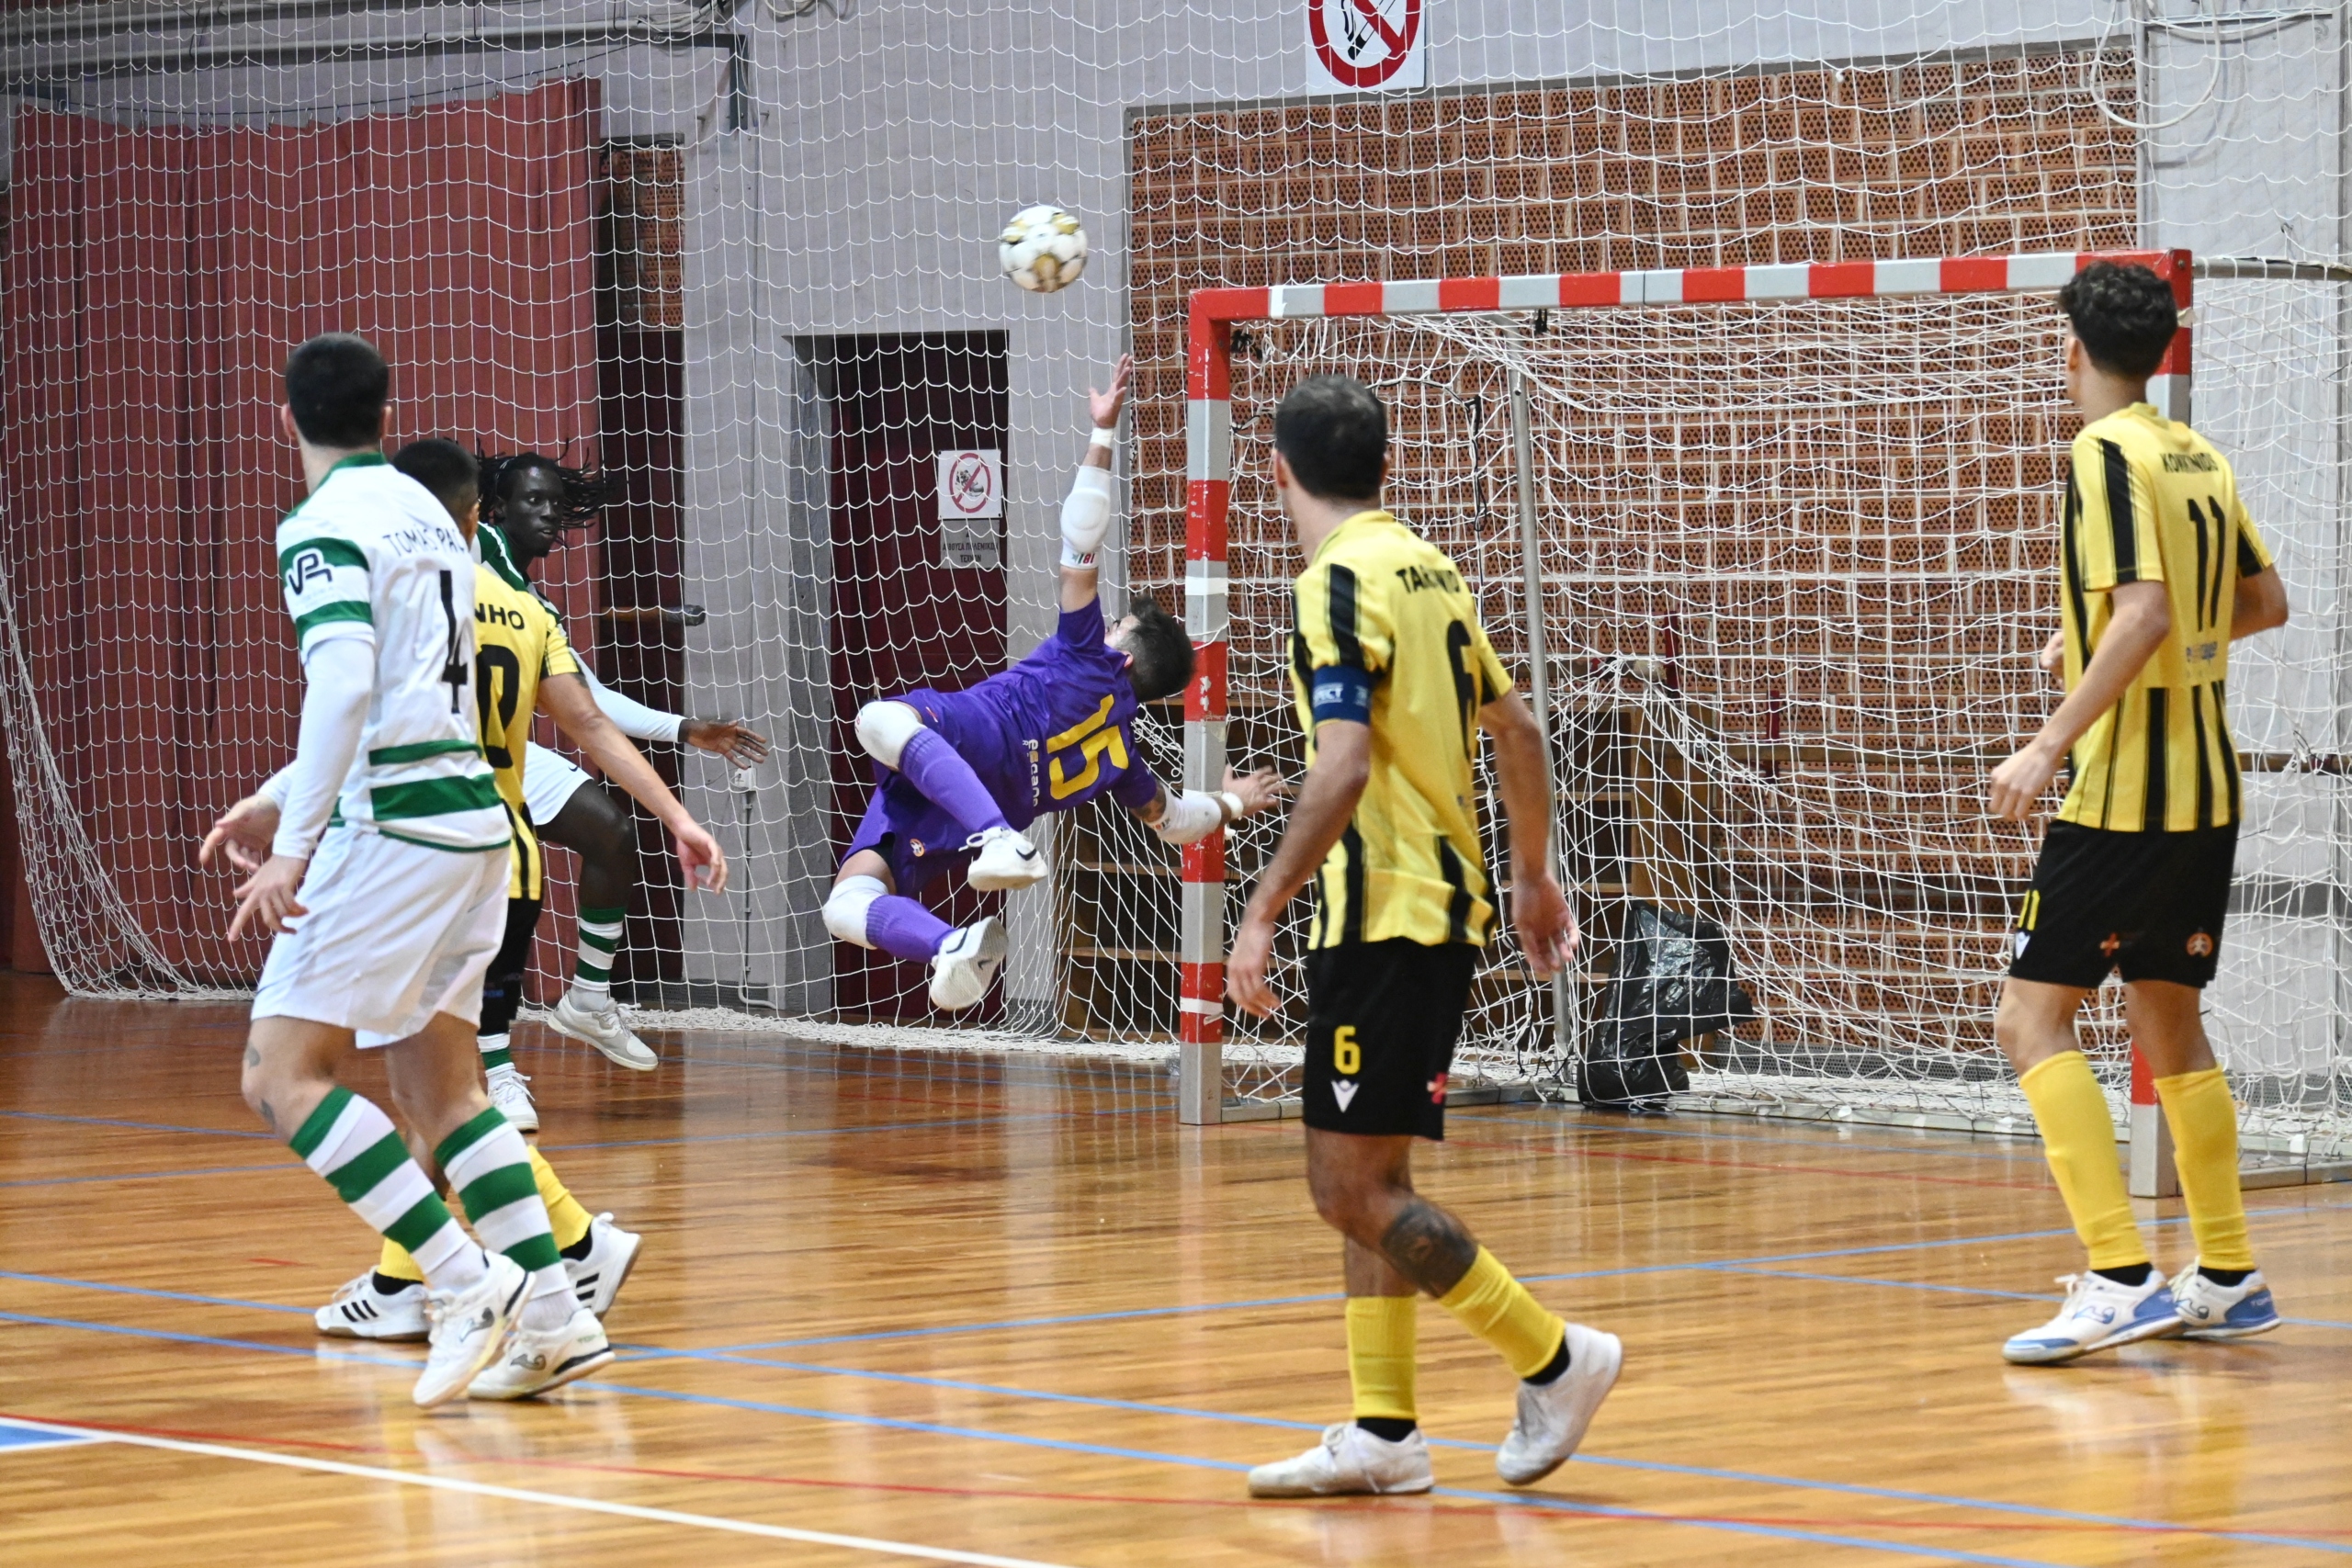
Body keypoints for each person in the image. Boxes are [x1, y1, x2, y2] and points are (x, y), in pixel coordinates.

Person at [1225, 374, 1616, 1497]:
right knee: (1375, 1174)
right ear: (1385, 466)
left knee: (1346, 1190)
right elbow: (1519, 728)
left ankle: (1554, 1357)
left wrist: (1260, 910)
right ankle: (1385, 1434)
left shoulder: (1334, 583)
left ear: (1276, 472)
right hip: (1442, 911)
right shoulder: (1428, 568)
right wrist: (1531, 877)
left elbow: (1341, 765)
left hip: (1382, 916)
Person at [203, 334, 609, 1407]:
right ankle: (556, 1318)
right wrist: (283, 792)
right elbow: (407, 689)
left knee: (280, 1078)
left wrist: (295, 846)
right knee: (447, 1092)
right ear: (386, 417)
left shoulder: (323, 522)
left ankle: (461, 1284)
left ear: (287, 419)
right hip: (477, 828)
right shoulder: (432, 517)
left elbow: (346, 683)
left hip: (395, 836)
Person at [1987, 260, 2290, 1363]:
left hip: (2122, 794)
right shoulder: (2194, 453)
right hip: (2206, 791)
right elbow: (2258, 603)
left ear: (2072, 348)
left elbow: (2149, 610)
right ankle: (2228, 1273)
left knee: (2027, 1020)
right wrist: (2097, 642)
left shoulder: (2104, 452)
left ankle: (2119, 1277)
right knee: (2167, 1023)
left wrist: (2047, 739)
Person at [824, 354, 1288, 1010]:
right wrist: (1232, 804)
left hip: (977, 747)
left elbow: (1080, 542)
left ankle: (1000, 840)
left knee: (878, 719)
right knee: (847, 904)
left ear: (1125, 656)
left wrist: (1103, 431)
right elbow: (1174, 820)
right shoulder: (1122, 757)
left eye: (1120, 624)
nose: (1111, 624)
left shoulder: (1089, 657)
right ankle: (949, 945)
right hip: (963, 800)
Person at [476, 451, 768, 1071]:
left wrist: (686, 729)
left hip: (504, 748)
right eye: (534, 500)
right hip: (438, 755)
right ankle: (489, 1063)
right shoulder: (475, 555)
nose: (549, 513)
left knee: (610, 830)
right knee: (489, 902)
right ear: (496, 508)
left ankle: (588, 998)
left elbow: (588, 706)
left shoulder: (532, 603)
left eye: (557, 503)